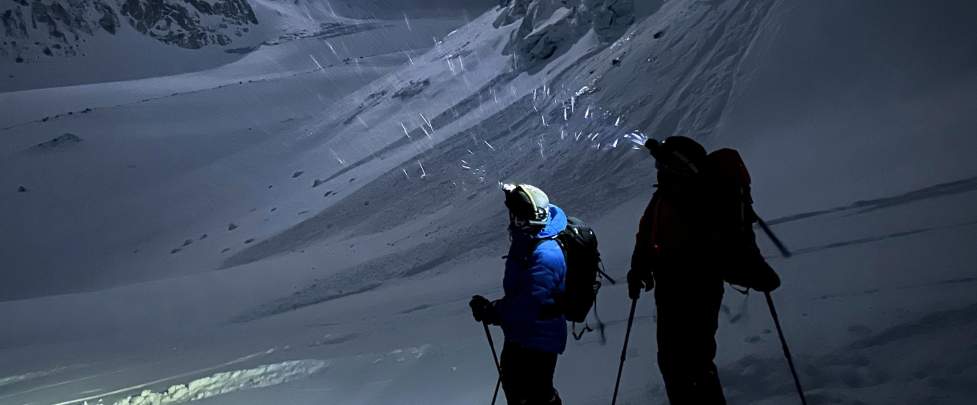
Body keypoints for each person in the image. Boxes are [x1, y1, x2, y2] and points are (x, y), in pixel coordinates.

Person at [627, 136, 778, 404]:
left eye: (662, 164)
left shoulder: (698, 196)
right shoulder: (667, 195)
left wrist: (640, 269)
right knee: (680, 362)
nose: (659, 169)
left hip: (696, 289)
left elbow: (723, 247)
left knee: (689, 363)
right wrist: (639, 268)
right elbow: (648, 234)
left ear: (678, 165)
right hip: (677, 290)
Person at [470, 183, 567, 405]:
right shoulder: (527, 241)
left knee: (534, 397)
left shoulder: (546, 254)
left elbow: (530, 303)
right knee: (522, 391)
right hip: (523, 335)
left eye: (519, 217)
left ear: (534, 218)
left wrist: (494, 311)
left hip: (539, 339)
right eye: (514, 215)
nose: (514, 221)